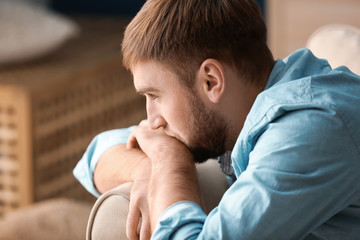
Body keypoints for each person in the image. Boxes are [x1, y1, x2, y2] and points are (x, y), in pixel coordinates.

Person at [73, 0, 360, 239]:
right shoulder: (251, 110)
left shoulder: (310, 129)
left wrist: (169, 162)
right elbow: (97, 153)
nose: (152, 119)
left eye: (155, 95)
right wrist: (150, 170)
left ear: (211, 81)